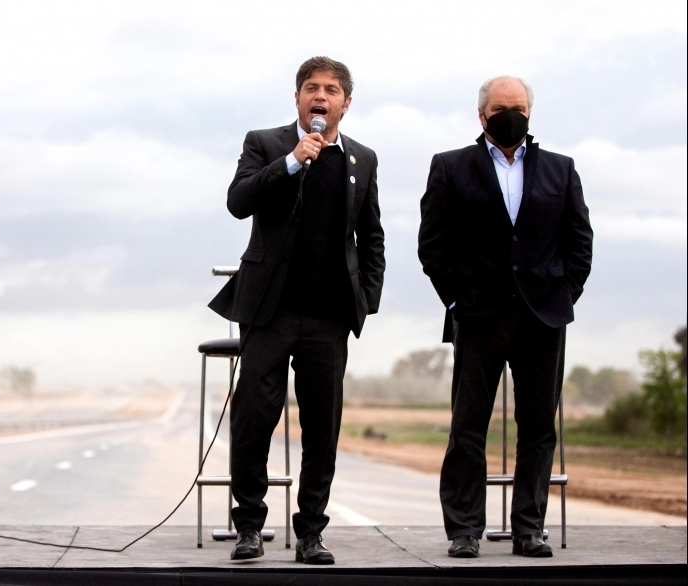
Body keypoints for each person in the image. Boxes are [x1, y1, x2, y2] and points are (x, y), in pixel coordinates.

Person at [209, 56, 385, 564]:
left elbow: (371, 237)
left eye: (331, 90)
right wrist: (291, 161)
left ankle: (311, 532)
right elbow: (238, 200)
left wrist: (365, 299)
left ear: (345, 104)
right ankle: (249, 527)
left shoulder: (363, 160)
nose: (320, 97)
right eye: (311, 88)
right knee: (254, 420)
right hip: (270, 311)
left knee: (322, 428)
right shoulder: (266, 143)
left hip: (329, 315)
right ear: (298, 98)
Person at [418, 76, 592, 558]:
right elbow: (433, 245)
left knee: (538, 429)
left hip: (543, 318)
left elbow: (580, 243)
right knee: (468, 426)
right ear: (482, 114)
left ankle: (528, 529)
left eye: (517, 107)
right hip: (478, 316)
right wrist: (455, 301)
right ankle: (464, 530)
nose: (509, 114)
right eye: (500, 107)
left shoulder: (561, 169)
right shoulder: (450, 167)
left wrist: (564, 295)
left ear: (530, 113)